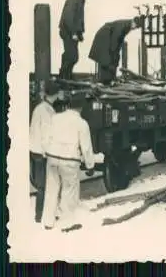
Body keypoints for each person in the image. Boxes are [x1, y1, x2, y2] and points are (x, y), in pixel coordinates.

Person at [42, 93, 96, 230]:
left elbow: (46, 137)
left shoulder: (55, 118)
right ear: (82, 108)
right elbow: (86, 147)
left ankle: (48, 222)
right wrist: (90, 165)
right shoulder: (82, 123)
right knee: (69, 191)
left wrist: (46, 153)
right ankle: (67, 223)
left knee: (51, 189)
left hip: (52, 158)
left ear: (68, 105)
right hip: (69, 161)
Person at [29, 80, 61, 223]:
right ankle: (40, 215)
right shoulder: (48, 111)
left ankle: (41, 214)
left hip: (34, 150)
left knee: (42, 184)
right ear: (55, 94)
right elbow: (47, 136)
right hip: (42, 152)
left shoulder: (39, 107)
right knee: (45, 185)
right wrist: (51, 154)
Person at [88, 17, 141, 85]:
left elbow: (119, 40)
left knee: (111, 58)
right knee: (106, 59)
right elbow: (115, 39)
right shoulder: (124, 25)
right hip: (104, 36)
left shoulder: (127, 26)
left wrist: (116, 53)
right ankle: (104, 81)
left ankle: (109, 80)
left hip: (108, 37)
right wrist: (114, 52)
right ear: (133, 21)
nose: (134, 28)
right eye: (135, 26)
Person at [58, 0, 92, 80]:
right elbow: (68, 18)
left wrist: (80, 33)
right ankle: (63, 77)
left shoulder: (79, 0)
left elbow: (78, 19)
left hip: (72, 33)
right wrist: (73, 33)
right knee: (72, 56)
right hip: (68, 32)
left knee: (70, 56)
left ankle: (66, 76)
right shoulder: (73, 0)